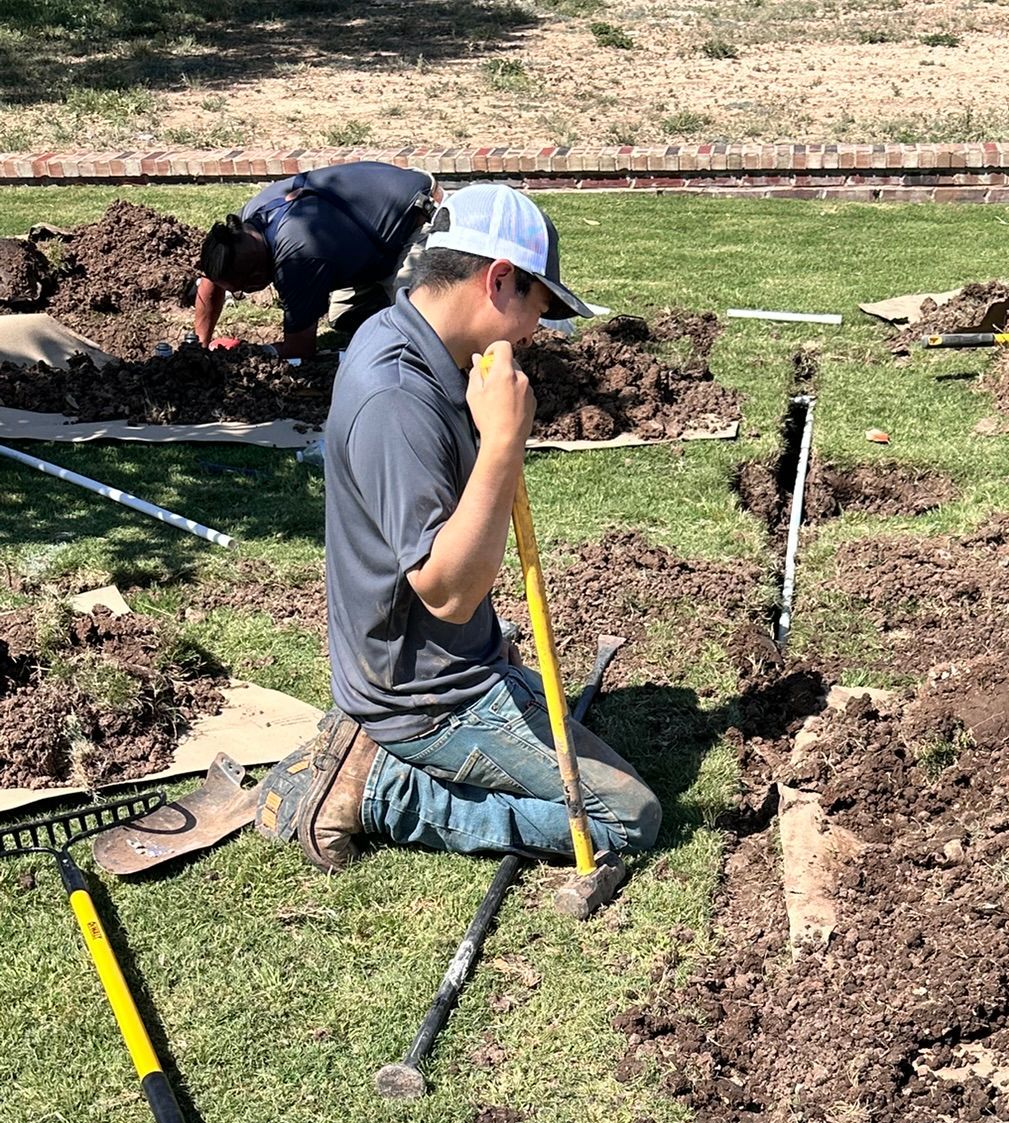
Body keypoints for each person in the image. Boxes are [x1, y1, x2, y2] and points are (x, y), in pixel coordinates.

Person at [253, 185, 660, 875]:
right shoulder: (396, 397)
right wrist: (502, 442)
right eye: (540, 305)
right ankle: (378, 788)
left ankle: (382, 749)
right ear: (499, 279)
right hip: (423, 697)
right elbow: (448, 594)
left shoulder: (408, 337)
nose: (537, 330)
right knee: (630, 816)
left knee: (579, 745)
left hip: (445, 663)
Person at [193, 162, 440, 358]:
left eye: (241, 291)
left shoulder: (297, 258)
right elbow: (212, 279)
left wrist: (244, 353)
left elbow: (299, 350)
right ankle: (384, 297)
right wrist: (199, 346)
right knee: (347, 319)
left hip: (418, 217)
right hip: (374, 223)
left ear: (256, 279)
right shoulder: (241, 229)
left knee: (418, 327)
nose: (241, 294)